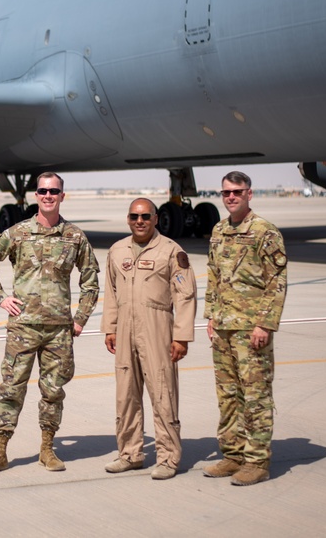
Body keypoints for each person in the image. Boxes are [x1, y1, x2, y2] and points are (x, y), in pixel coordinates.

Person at [0, 172, 99, 475]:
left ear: (61, 196)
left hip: (59, 330)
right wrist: (1, 298)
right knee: (11, 390)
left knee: (53, 391)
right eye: (43, 191)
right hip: (23, 328)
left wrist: (80, 318)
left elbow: (91, 281)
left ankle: (47, 449)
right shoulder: (17, 233)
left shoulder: (74, 236)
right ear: (36, 195)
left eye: (53, 191)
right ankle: (0, 451)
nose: (47, 196)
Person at [203, 171, 288, 486]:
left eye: (237, 192)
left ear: (249, 194)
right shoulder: (220, 230)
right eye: (226, 193)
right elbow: (213, 274)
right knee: (227, 395)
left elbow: (276, 281)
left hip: (251, 329)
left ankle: (256, 462)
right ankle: (233, 454)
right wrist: (211, 315)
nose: (231, 197)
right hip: (224, 326)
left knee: (255, 396)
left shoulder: (265, 232)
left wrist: (265, 322)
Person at [102, 198, 197, 480]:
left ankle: (168, 458)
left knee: (162, 392)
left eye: (145, 216)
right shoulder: (117, 250)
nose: (139, 221)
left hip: (157, 326)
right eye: (134, 216)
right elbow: (110, 292)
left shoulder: (171, 251)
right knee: (126, 395)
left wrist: (181, 336)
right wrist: (110, 327)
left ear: (156, 219)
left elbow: (185, 295)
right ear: (128, 219)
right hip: (125, 329)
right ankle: (130, 454)